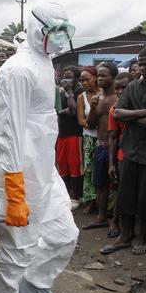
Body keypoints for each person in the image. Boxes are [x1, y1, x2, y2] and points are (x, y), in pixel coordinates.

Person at [0, 2, 78, 293]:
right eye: (55, 31)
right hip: (17, 167)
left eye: (65, 31)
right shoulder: (17, 69)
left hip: (42, 165)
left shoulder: (44, 60)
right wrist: (14, 188)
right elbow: (9, 131)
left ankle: (35, 288)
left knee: (64, 234)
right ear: (37, 28)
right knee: (19, 242)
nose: (61, 39)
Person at [101, 46, 146, 256]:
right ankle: (124, 237)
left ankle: (141, 237)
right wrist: (144, 112)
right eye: (140, 64)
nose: (142, 68)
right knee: (125, 197)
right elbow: (117, 115)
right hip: (130, 150)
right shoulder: (133, 86)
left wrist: (131, 115)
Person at [83, 62, 118, 232]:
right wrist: (93, 108)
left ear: (113, 77)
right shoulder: (98, 99)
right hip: (100, 145)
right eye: (99, 75)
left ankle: (115, 220)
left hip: (116, 147)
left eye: (105, 75)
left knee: (116, 185)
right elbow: (90, 124)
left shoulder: (119, 98)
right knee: (101, 185)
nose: (101, 78)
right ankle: (101, 217)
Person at [107, 72, 135, 238]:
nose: (119, 91)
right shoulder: (114, 109)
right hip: (123, 155)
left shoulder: (140, 104)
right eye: (116, 88)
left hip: (142, 154)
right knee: (121, 191)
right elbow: (113, 136)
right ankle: (116, 221)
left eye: (123, 87)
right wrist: (111, 163)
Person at [57, 66, 84, 208]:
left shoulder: (79, 91)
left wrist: (69, 91)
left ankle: (76, 195)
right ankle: (65, 193)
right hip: (62, 133)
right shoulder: (61, 92)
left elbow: (73, 111)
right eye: (64, 76)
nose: (66, 79)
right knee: (62, 163)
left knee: (75, 165)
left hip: (75, 133)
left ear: (76, 79)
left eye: (70, 77)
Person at [76, 66, 100, 214]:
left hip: (104, 137)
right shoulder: (81, 97)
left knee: (101, 170)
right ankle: (90, 200)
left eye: (87, 79)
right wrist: (91, 123)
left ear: (95, 77)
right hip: (89, 136)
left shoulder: (104, 94)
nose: (84, 83)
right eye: (82, 80)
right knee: (89, 169)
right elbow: (81, 121)